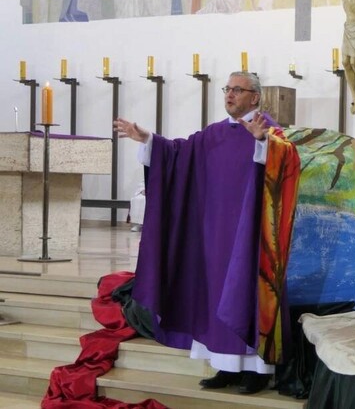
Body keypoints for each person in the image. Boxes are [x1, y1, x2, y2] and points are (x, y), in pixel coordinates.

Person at [112, 72, 284, 394]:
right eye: (228, 89)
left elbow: (285, 168)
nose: (230, 94)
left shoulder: (269, 130)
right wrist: (149, 139)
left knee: (246, 294)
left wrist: (263, 143)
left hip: (250, 235)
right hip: (212, 234)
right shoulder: (213, 135)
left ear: (255, 97)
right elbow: (179, 154)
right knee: (213, 295)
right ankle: (224, 366)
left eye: (238, 90)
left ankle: (256, 371)